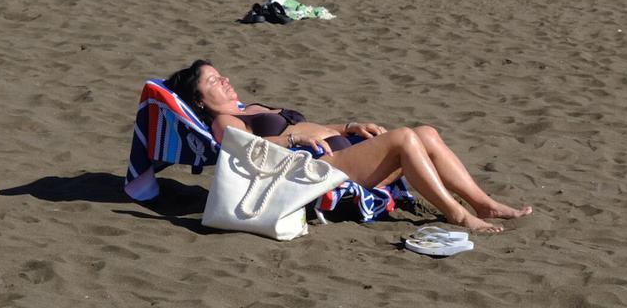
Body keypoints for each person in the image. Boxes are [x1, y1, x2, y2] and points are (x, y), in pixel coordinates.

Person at [169, 60, 533, 232]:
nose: (226, 81)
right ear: (199, 99)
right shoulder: (224, 122)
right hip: (317, 176)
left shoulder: (248, 108)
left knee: (426, 133)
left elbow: (308, 127)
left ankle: (483, 204)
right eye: (215, 81)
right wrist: (293, 138)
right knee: (405, 138)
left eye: (223, 74)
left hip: (339, 153)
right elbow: (245, 152)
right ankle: (458, 214)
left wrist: (347, 125)